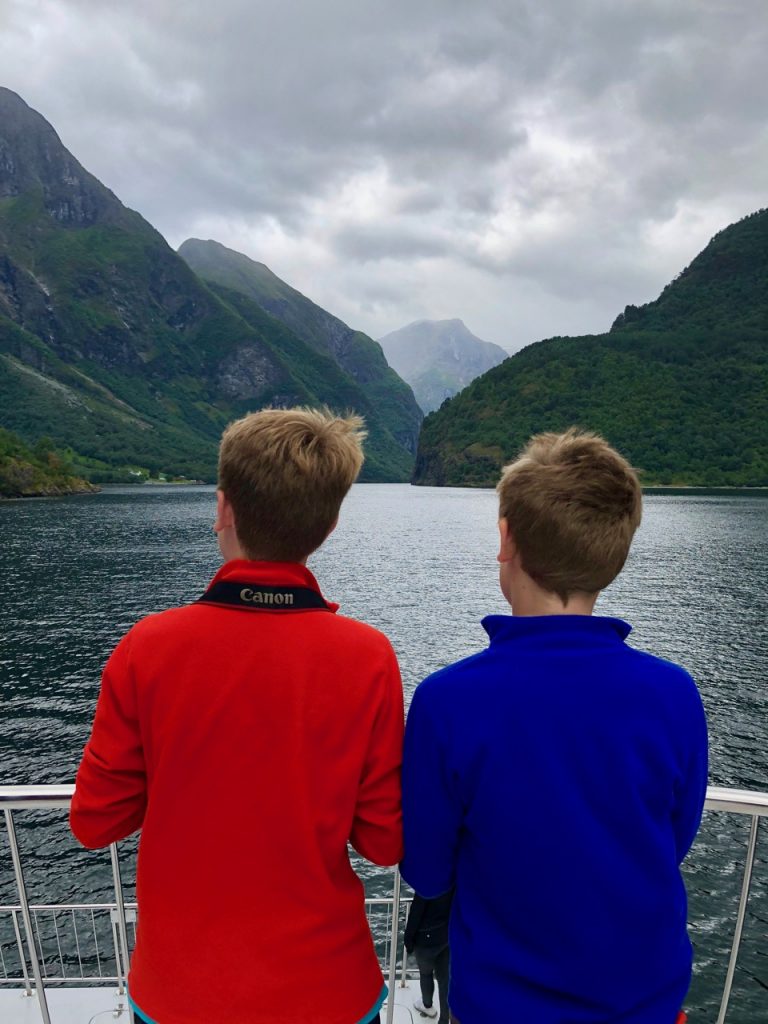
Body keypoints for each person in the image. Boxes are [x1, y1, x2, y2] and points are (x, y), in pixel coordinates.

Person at [70, 407, 404, 1024]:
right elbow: (384, 842)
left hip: (181, 993)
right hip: (328, 991)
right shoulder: (368, 658)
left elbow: (95, 823)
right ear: (328, 526)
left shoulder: (148, 647)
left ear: (223, 508)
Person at [400, 429, 708, 1024]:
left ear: (505, 539)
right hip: (643, 1000)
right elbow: (674, 839)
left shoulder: (449, 700)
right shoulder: (673, 693)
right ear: (613, 555)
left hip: (499, 1004)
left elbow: (428, 868)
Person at [404, 892, 452, 1023]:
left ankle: (427, 1005)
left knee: (425, 974)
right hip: (445, 936)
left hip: (425, 941)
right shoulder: (452, 881)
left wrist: (408, 940)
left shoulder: (425, 885)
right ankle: (443, 1019)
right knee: (444, 980)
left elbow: (416, 914)